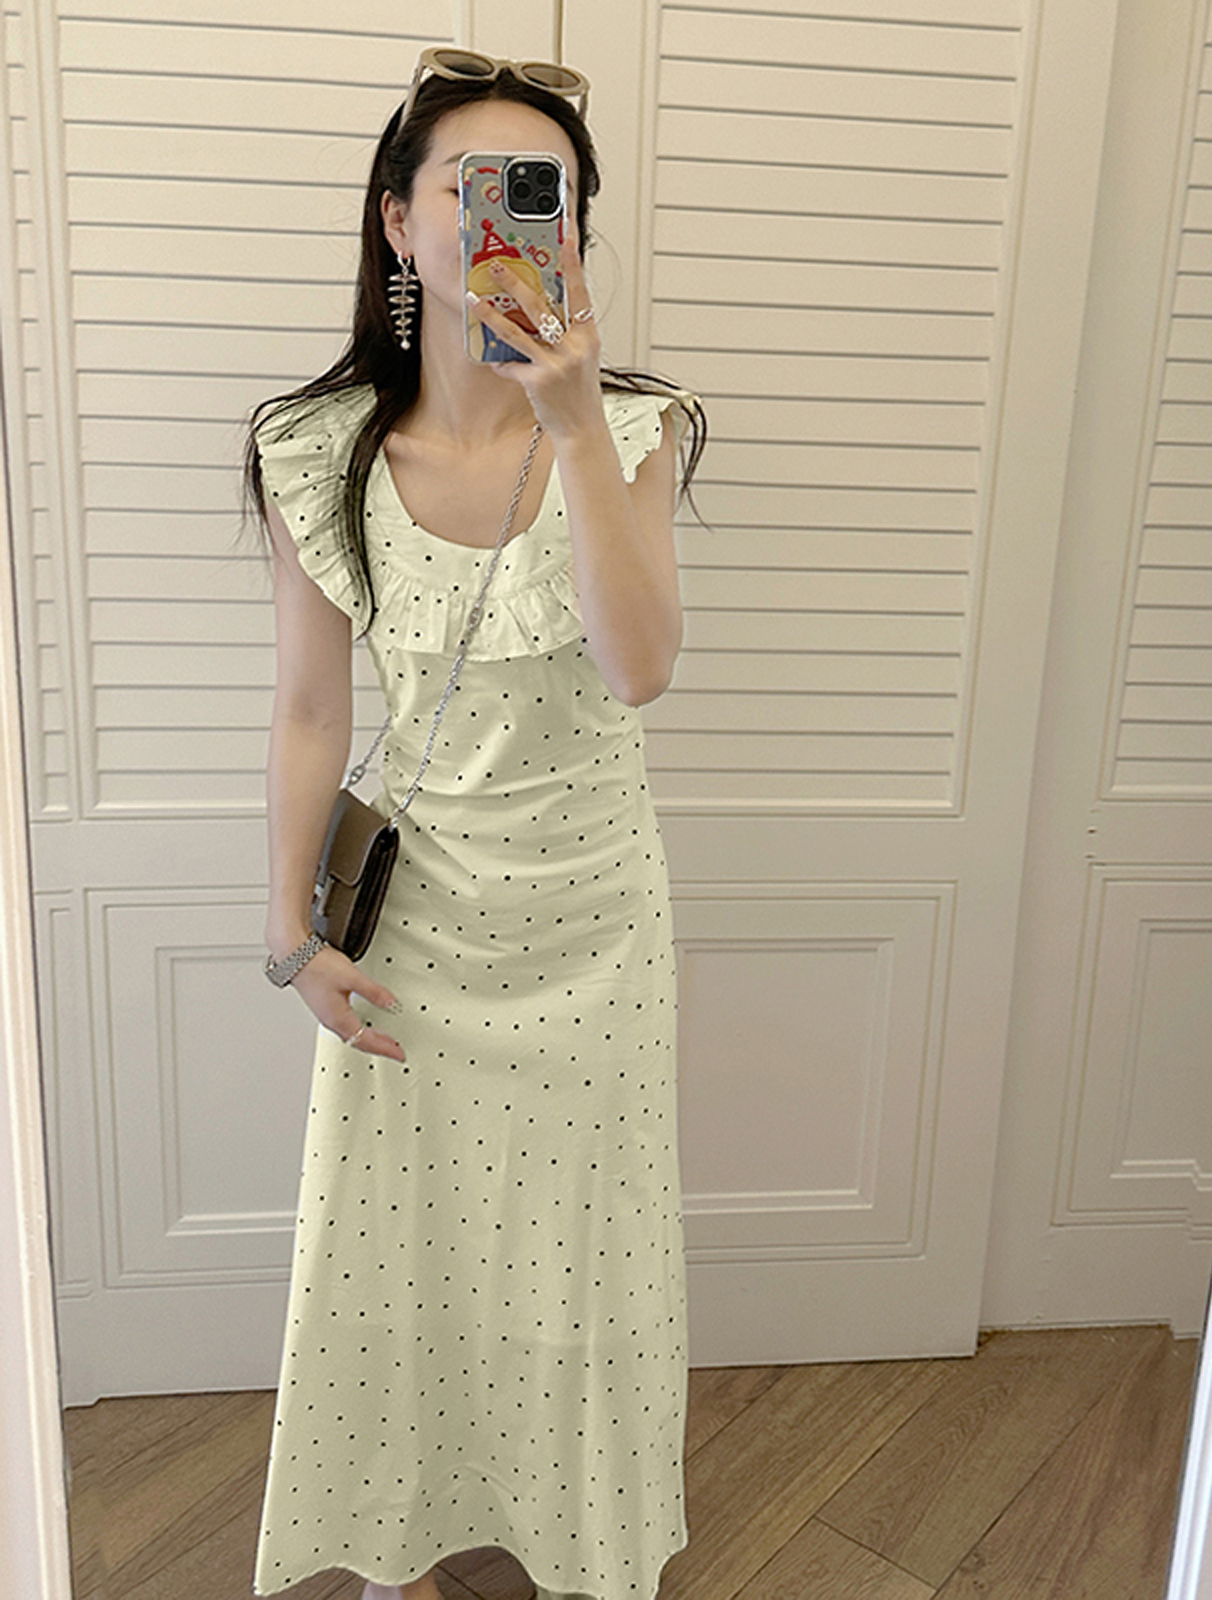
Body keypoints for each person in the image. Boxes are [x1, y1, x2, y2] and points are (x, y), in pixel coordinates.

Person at [244, 48, 706, 1600]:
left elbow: (640, 670)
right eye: (474, 183)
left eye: (544, 192)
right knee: (400, 1261)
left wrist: (571, 425)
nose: (511, 212)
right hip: (416, 933)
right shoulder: (320, 450)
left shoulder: (632, 429)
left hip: (594, 926)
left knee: (584, 1271)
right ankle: (402, 1550)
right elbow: (309, 712)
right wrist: (287, 934)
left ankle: (576, 1552)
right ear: (398, 220)